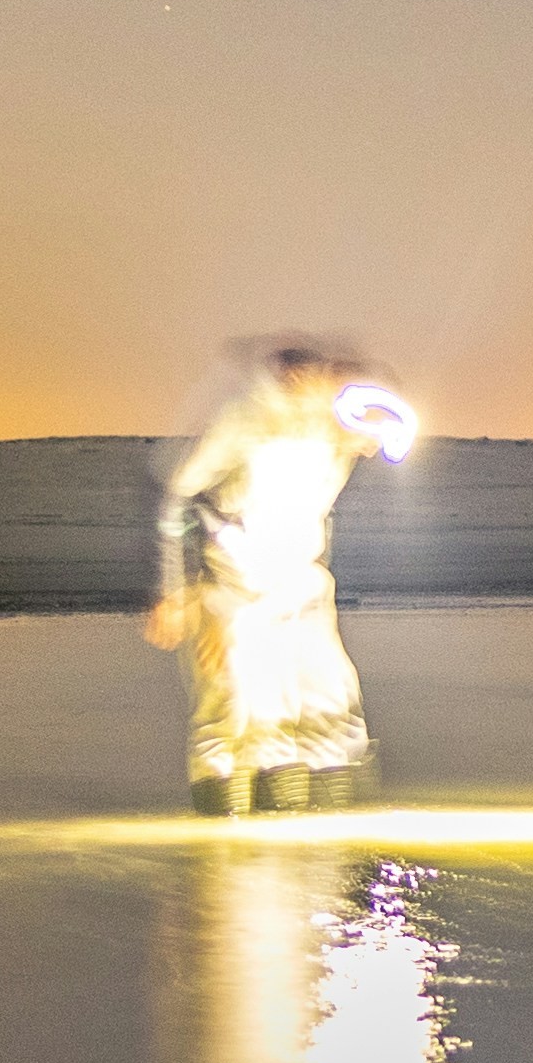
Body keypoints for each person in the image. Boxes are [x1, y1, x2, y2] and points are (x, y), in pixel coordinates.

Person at [145, 339, 419, 813]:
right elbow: (177, 501)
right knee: (240, 717)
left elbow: (310, 510)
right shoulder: (243, 423)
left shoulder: (330, 437)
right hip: (237, 592)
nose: (372, 448)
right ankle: (226, 844)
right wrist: (179, 591)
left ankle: (322, 839)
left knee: (328, 709)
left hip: (302, 588)